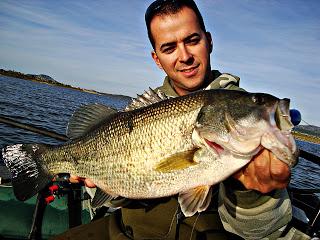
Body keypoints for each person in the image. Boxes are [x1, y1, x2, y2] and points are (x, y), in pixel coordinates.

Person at [65, 0, 305, 239]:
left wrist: (250, 193)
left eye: (192, 40)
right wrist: (103, 177)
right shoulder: (146, 110)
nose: (184, 56)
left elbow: (264, 232)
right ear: (157, 58)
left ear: (209, 41)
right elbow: (130, 185)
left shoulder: (248, 120)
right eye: (169, 48)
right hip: (122, 230)